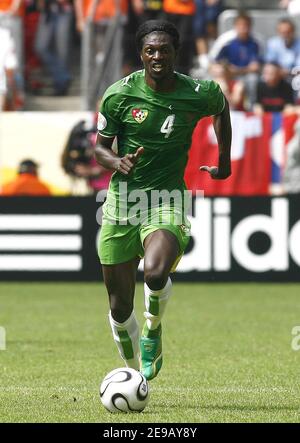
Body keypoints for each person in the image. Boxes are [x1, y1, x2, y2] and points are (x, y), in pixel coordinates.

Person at [95, 20, 231, 380]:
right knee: (119, 307)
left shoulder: (197, 91)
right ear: (141, 54)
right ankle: (130, 342)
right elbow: (99, 149)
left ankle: (154, 327)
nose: (157, 55)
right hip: (123, 204)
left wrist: (225, 160)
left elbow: (221, 106)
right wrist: (116, 160)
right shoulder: (118, 95)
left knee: (155, 272)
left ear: (176, 52)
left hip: (167, 198)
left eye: (164, 49)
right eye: (150, 50)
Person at [216, 12, 261, 110]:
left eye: (246, 25)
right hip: (230, 76)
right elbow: (218, 62)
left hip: (245, 76)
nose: (243, 28)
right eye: (240, 25)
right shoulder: (228, 43)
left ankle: (251, 106)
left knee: (253, 79)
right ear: (235, 26)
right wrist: (228, 69)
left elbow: (255, 67)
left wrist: (237, 70)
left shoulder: (254, 44)